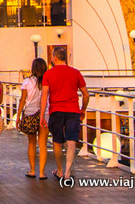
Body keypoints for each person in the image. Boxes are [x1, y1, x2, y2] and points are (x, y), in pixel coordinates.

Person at [40, 47, 90, 181]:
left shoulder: (48, 74)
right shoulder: (75, 73)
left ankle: (60, 171)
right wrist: (83, 109)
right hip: (73, 110)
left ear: (55, 58)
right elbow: (86, 94)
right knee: (71, 140)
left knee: (57, 141)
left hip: (56, 110)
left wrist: (41, 116)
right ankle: (68, 173)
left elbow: (44, 95)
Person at [16, 58, 49, 179]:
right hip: (45, 113)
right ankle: (42, 172)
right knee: (43, 143)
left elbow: (22, 99)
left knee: (31, 143)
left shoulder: (27, 81)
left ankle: (32, 170)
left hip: (30, 113)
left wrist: (18, 116)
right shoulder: (47, 81)